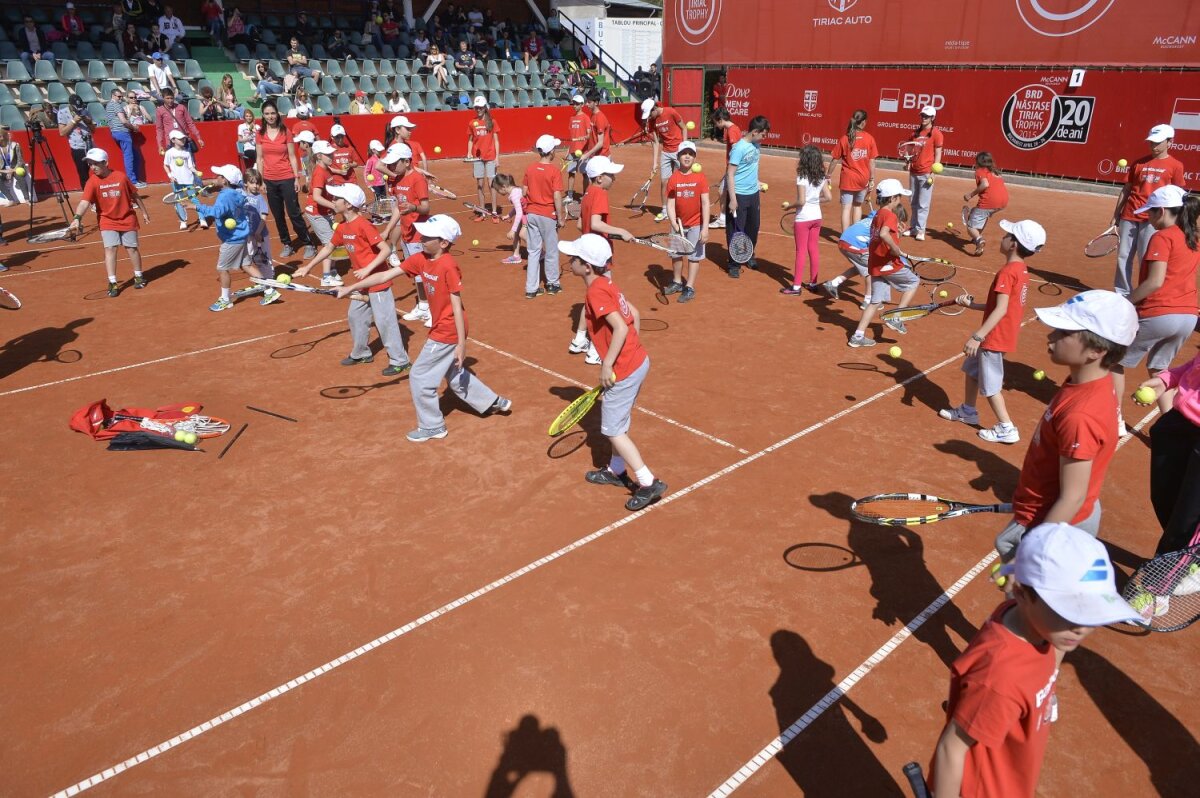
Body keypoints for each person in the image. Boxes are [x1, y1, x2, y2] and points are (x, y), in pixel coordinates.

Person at [930, 522, 1140, 798]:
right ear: (1022, 594)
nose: (1081, 628)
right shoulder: (1001, 678)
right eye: (1069, 612)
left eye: (1091, 614)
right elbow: (951, 748)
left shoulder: (1040, 627)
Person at [340, 214, 513, 442]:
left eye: (428, 236)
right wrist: (351, 287)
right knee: (453, 372)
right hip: (443, 326)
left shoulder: (448, 265)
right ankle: (493, 402)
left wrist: (461, 344)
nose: (421, 237)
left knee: (420, 376)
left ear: (443, 242)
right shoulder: (421, 258)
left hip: (448, 328)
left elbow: (457, 306)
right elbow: (384, 274)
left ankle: (433, 426)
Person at [994, 290, 1138, 562]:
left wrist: (1034, 549)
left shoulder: (1080, 415)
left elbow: (1072, 497)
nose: (1051, 337)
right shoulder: (1090, 383)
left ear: (1096, 350)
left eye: (1063, 333)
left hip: (1052, 526)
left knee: (1028, 603)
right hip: (1058, 516)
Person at [560, 233, 667, 512]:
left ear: (587, 267)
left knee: (612, 430)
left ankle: (648, 482)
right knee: (615, 419)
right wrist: (631, 350)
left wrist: (608, 364)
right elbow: (634, 313)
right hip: (636, 362)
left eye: (575, 258)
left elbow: (620, 327)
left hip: (624, 369)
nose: (570, 260)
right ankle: (616, 470)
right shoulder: (606, 284)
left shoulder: (596, 291)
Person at [939, 220, 1045, 444]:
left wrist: (978, 336)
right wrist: (972, 306)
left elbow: (1001, 309)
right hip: (1003, 333)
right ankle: (968, 410)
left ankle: (1007, 427)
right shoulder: (1021, 270)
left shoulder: (1007, 272)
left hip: (994, 337)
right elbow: (1002, 305)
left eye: (1008, 235)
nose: (1003, 237)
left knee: (991, 386)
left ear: (1014, 244)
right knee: (972, 369)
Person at [298, 183, 411, 376]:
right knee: (355, 316)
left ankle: (401, 360)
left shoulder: (363, 225)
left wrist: (368, 268)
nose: (332, 201)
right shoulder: (342, 227)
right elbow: (328, 248)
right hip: (361, 283)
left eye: (336, 199)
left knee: (385, 321)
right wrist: (309, 267)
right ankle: (361, 353)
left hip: (377, 281)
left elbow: (385, 250)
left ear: (348, 204)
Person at [1113, 186, 1200, 417]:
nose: (1147, 217)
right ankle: (1169, 424)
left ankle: (1115, 417)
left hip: (1160, 314)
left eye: (1150, 212)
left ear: (1161, 211)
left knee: (1113, 361)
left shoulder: (1162, 237)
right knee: (1159, 371)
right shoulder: (1192, 238)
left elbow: (1155, 282)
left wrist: (1126, 301)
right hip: (1189, 317)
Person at [569, 155, 635, 365]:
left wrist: (607, 233)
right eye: (610, 175)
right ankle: (596, 350)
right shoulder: (600, 194)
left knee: (591, 297)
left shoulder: (588, 192)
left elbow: (582, 224)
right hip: (598, 257)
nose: (614, 178)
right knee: (605, 302)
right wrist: (620, 231)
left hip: (587, 251)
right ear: (599, 178)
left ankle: (579, 339)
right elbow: (596, 224)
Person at [1109, 124, 1188, 297]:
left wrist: (1178, 219)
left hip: (1154, 219)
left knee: (1147, 259)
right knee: (1123, 257)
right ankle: (1122, 294)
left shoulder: (1176, 166)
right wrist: (1116, 214)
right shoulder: (1138, 163)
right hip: (1129, 215)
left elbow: (1178, 195)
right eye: (1151, 142)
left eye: (1158, 142)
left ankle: (1143, 295)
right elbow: (1126, 189)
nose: (1154, 146)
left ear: (1170, 142)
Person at [1136, 349, 1200, 559]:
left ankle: (1157, 586)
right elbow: (1195, 365)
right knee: (1164, 497)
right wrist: (1166, 380)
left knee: (1186, 518)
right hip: (1179, 422)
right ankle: (1190, 551)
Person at [193, 164, 282, 312]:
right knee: (246, 265)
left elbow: (216, 212)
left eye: (219, 176)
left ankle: (225, 299)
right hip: (242, 236)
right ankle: (269, 291)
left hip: (232, 239)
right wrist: (210, 186)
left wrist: (195, 207)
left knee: (222, 269)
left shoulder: (226, 195)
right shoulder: (236, 193)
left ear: (225, 180)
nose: (216, 178)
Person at [67, 148, 150, 297]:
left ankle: (138, 276)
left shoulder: (121, 177)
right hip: (107, 220)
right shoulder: (92, 181)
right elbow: (84, 202)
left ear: (105, 162)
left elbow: (135, 196)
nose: (92, 167)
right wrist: (77, 218)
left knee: (132, 249)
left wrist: (144, 212)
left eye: (95, 164)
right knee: (110, 249)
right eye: (90, 164)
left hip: (127, 218)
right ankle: (112, 282)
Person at [848, 178, 919, 347]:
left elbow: (881, 236)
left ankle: (857, 336)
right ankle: (896, 317)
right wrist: (896, 249)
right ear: (892, 198)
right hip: (888, 264)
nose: (900, 200)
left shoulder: (878, 214)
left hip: (875, 264)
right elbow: (884, 234)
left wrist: (898, 236)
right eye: (899, 197)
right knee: (913, 282)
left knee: (875, 301)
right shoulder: (890, 215)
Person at [379, 142, 432, 325]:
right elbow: (398, 209)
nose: (391, 167)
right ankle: (423, 305)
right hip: (407, 233)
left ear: (407, 162)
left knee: (425, 273)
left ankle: (432, 309)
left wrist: (413, 207)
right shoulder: (397, 180)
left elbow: (426, 207)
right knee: (417, 273)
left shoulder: (417, 179)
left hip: (420, 234)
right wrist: (387, 230)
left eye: (395, 163)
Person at [255, 99, 314, 259]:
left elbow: (292, 156)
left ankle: (308, 242)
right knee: (278, 215)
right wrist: (260, 181)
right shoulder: (259, 134)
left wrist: (296, 178)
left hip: (287, 177)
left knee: (294, 212)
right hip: (269, 180)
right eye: (267, 114)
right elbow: (259, 159)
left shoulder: (285, 131)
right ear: (263, 115)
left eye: (273, 113)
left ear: (277, 114)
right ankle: (287, 243)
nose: (270, 116)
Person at [662, 141, 710, 304]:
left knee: (694, 257)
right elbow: (670, 203)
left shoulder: (700, 177)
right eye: (684, 153)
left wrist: (705, 228)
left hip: (696, 224)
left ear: (695, 158)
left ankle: (689, 286)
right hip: (678, 224)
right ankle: (677, 281)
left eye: (690, 154)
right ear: (678, 157)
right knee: (676, 255)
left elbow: (705, 203)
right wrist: (674, 224)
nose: (687, 156)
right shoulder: (673, 179)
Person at [521, 134, 567, 298]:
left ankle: (531, 289)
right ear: (551, 152)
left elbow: (524, 192)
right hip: (548, 215)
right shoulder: (554, 171)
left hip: (532, 214)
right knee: (551, 251)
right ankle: (552, 284)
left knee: (533, 252)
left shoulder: (530, 168)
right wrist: (560, 217)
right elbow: (556, 196)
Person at [781, 144, 831, 294]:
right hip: (817, 217)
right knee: (813, 249)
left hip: (803, 218)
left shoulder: (801, 177)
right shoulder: (822, 176)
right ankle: (813, 283)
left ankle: (796, 287)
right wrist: (815, 200)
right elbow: (828, 197)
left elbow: (801, 201)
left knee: (801, 251)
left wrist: (789, 206)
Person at [725, 114, 769, 278]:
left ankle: (748, 254)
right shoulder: (739, 148)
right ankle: (734, 263)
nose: (764, 138)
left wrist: (757, 183)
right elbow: (730, 174)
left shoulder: (757, 146)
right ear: (755, 131)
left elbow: (750, 169)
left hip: (753, 194)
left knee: (753, 227)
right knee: (736, 229)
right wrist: (733, 199)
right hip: (739, 195)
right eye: (763, 134)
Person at [826, 109, 877, 232]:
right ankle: (854, 235)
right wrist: (872, 179)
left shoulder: (845, 139)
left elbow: (834, 160)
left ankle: (844, 237)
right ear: (864, 122)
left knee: (846, 208)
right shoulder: (870, 139)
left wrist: (828, 175)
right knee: (857, 206)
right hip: (863, 179)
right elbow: (872, 161)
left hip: (848, 179)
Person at [641, 98, 686, 223]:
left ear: (654, 109)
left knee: (679, 182)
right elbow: (656, 142)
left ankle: (680, 210)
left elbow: (684, 128)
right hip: (666, 152)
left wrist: (684, 147)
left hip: (678, 151)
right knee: (664, 182)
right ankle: (665, 210)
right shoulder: (652, 122)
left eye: (650, 114)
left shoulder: (671, 112)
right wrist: (655, 162)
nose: (649, 117)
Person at [904, 105, 943, 241]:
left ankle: (921, 230)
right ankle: (913, 228)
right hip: (914, 172)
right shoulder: (915, 133)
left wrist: (934, 172)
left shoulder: (936, 134)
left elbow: (938, 153)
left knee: (923, 203)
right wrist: (908, 162)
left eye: (926, 116)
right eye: (922, 116)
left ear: (932, 118)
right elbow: (910, 149)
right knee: (913, 201)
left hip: (927, 172)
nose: (923, 118)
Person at [822, 209, 876, 304]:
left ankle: (834, 283)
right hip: (853, 245)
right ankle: (868, 301)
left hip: (843, 242)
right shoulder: (879, 226)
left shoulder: (870, 219)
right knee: (871, 267)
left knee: (860, 265)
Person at [963, 152, 1009, 256]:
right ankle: (976, 238)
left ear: (978, 162)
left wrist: (971, 195)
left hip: (989, 202)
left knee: (970, 226)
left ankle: (979, 239)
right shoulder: (996, 172)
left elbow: (985, 184)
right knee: (981, 214)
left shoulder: (980, 171)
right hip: (1003, 202)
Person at [162, 129, 205, 230]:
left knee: (194, 199)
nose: (183, 140)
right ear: (173, 140)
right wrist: (170, 176)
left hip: (188, 180)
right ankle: (183, 221)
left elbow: (191, 166)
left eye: (184, 138)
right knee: (179, 201)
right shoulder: (169, 153)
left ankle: (202, 219)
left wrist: (196, 172)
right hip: (177, 181)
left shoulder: (187, 153)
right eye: (180, 139)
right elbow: (165, 165)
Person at [466, 97, 501, 219]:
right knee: (480, 185)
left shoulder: (492, 121)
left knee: (492, 184)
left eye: (480, 107)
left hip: (491, 156)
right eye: (476, 107)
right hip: (477, 158)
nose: (478, 109)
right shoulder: (472, 122)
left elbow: (496, 141)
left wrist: (497, 158)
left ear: (485, 107)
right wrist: (469, 152)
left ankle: (495, 212)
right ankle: (482, 211)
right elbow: (470, 140)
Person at [104, 87, 145, 187]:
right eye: (119, 96)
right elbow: (123, 121)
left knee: (134, 155)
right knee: (129, 157)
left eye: (121, 96)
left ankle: (135, 179)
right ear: (113, 96)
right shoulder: (116, 105)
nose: (121, 98)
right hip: (122, 132)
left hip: (116, 132)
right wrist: (134, 127)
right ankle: (132, 181)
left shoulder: (109, 105)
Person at [708, 107, 740, 229]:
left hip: (732, 168)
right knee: (723, 191)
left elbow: (736, 150)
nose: (715, 125)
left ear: (720, 120)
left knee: (723, 191)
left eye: (716, 122)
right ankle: (725, 216)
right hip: (733, 167)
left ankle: (723, 218)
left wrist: (730, 170)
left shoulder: (731, 131)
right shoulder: (734, 128)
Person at [58, 95, 95, 190]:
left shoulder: (85, 111)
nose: (79, 109)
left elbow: (93, 130)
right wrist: (74, 121)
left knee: (98, 170)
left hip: (90, 144)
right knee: (83, 173)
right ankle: (88, 197)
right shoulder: (62, 113)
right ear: (70, 105)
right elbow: (62, 132)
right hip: (77, 147)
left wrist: (88, 121)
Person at [154, 88, 202, 157]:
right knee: (174, 166)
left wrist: (198, 137)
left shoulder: (181, 107)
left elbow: (190, 123)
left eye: (171, 98)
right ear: (163, 98)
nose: (170, 100)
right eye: (167, 98)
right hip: (171, 143)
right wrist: (160, 145)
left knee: (190, 165)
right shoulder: (160, 111)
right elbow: (159, 129)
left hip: (185, 141)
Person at [491, 173, 526, 266]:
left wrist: (512, 230)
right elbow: (518, 207)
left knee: (523, 234)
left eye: (498, 190)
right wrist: (509, 215)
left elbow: (519, 212)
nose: (498, 193)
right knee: (517, 234)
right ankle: (516, 255)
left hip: (527, 216)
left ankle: (540, 252)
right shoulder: (516, 190)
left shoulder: (513, 195)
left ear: (503, 187)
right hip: (525, 214)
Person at [564, 94, 589, 201]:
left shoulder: (585, 118)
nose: (574, 105)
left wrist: (579, 139)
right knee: (571, 173)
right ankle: (569, 196)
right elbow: (571, 137)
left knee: (584, 174)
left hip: (583, 151)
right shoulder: (571, 118)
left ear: (582, 105)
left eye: (577, 104)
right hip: (572, 151)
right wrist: (568, 151)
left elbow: (589, 135)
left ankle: (586, 195)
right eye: (574, 103)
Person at [0, 126, 31, 207]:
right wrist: (3, 171)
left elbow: (20, 160)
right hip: (4, 170)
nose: (1, 138)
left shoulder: (15, 145)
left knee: (19, 175)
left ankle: (27, 199)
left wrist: (13, 170)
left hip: (15, 168)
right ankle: (11, 200)